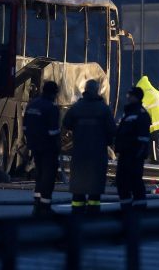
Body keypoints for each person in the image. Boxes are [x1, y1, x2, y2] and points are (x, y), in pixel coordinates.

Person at [62, 79, 116, 215]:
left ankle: (77, 211)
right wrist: (108, 143)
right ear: (97, 90)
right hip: (97, 153)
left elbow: (66, 123)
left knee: (79, 184)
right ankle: (93, 212)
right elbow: (112, 131)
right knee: (95, 185)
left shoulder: (77, 107)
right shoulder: (103, 109)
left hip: (80, 152)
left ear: (85, 90)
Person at [23, 81, 61, 216]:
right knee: (48, 176)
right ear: (54, 93)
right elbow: (53, 131)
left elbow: (25, 126)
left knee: (39, 174)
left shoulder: (32, 104)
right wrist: (58, 145)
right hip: (48, 147)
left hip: (34, 145)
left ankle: (37, 203)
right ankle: (45, 206)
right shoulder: (51, 107)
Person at [115, 87, 151, 210]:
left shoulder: (141, 114)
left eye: (130, 95)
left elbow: (143, 138)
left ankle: (139, 209)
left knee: (135, 181)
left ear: (136, 97)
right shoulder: (129, 113)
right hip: (125, 153)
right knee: (121, 181)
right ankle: (126, 208)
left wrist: (138, 154)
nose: (128, 97)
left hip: (133, 155)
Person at [136, 76, 159, 164]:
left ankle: (156, 162)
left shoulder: (146, 94)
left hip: (156, 124)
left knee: (155, 144)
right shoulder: (156, 93)